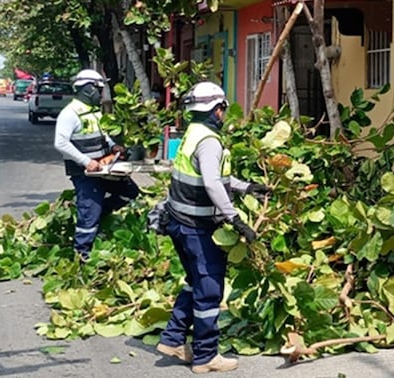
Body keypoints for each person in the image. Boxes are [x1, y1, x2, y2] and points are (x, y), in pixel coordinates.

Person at [156, 82, 270, 374]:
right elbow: (211, 183)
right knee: (209, 289)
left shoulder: (192, 133)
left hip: (178, 222)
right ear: (217, 110)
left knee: (194, 281)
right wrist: (235, 219)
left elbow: (211, 177)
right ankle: (205, 356)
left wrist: (246, 187)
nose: (223, 115)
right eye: (222, 110)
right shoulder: (210, 141)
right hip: (197, 228)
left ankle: (172, 338)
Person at [53, 68, 141, 261]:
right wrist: (86, 161)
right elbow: (60, 143)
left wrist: (114, 147)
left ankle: (99, 217)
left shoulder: (94, 112)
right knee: (89, 212)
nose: (101, 94)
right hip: (85, 173)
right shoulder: (70, 114)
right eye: (99, 90)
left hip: (103, 169)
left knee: (130, 192)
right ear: (89, 89)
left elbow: (104, 135)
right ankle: (82, 255)